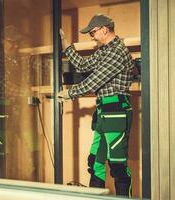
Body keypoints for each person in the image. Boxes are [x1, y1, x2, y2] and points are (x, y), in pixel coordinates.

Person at [58, 14, 134, 197]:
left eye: (92, 32)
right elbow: (83, 66)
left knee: (117, 165)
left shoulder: (118, 52)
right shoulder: (104, 50)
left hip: (116, 111)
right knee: (95, 162)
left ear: (104, 30)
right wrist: (66, 45)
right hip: (103, 112)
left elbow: (94, 82)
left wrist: (69, 93)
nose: (91, 37)